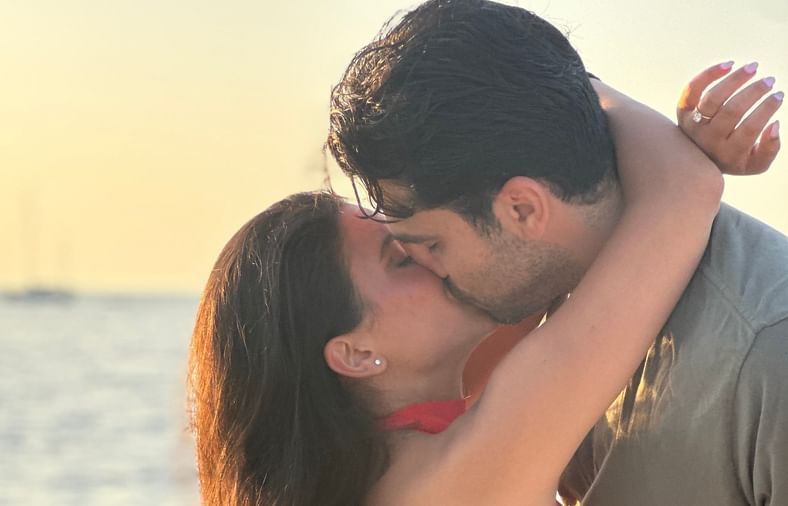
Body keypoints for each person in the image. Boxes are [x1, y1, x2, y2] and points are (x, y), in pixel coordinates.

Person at [188, 65, 780, 503]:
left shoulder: (389, 452)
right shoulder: (456, 478)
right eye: (402, 259)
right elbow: (681, 192)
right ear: (357, 354)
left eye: (416, 233)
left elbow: (541, 264)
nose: (431, 257)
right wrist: (562, 77)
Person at [326, 1, 785, 504]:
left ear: (522, 209)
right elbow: (683, 184)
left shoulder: (767, 352)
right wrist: (573, 92)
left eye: (433, 245)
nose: (430, 273)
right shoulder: (545, 314)